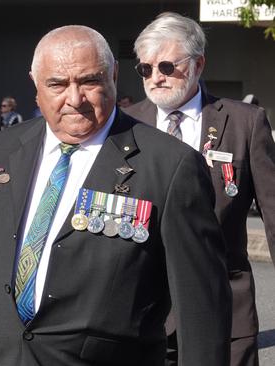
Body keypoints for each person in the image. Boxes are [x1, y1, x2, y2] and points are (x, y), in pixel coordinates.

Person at [0, 25, 232, 366]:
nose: (74, 99)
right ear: (35, 83)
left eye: (89, 81)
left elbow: (201, 310)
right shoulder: (1, 150)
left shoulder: (170, 165)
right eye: (57, 84)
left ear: (113, 74)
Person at [124, 12, 275, 366]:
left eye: (166, 66)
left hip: (223, 309)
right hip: (140, 313)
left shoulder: (244, 122)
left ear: (198, 64)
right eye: (145, 69)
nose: (156, 78)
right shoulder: (125, 125)